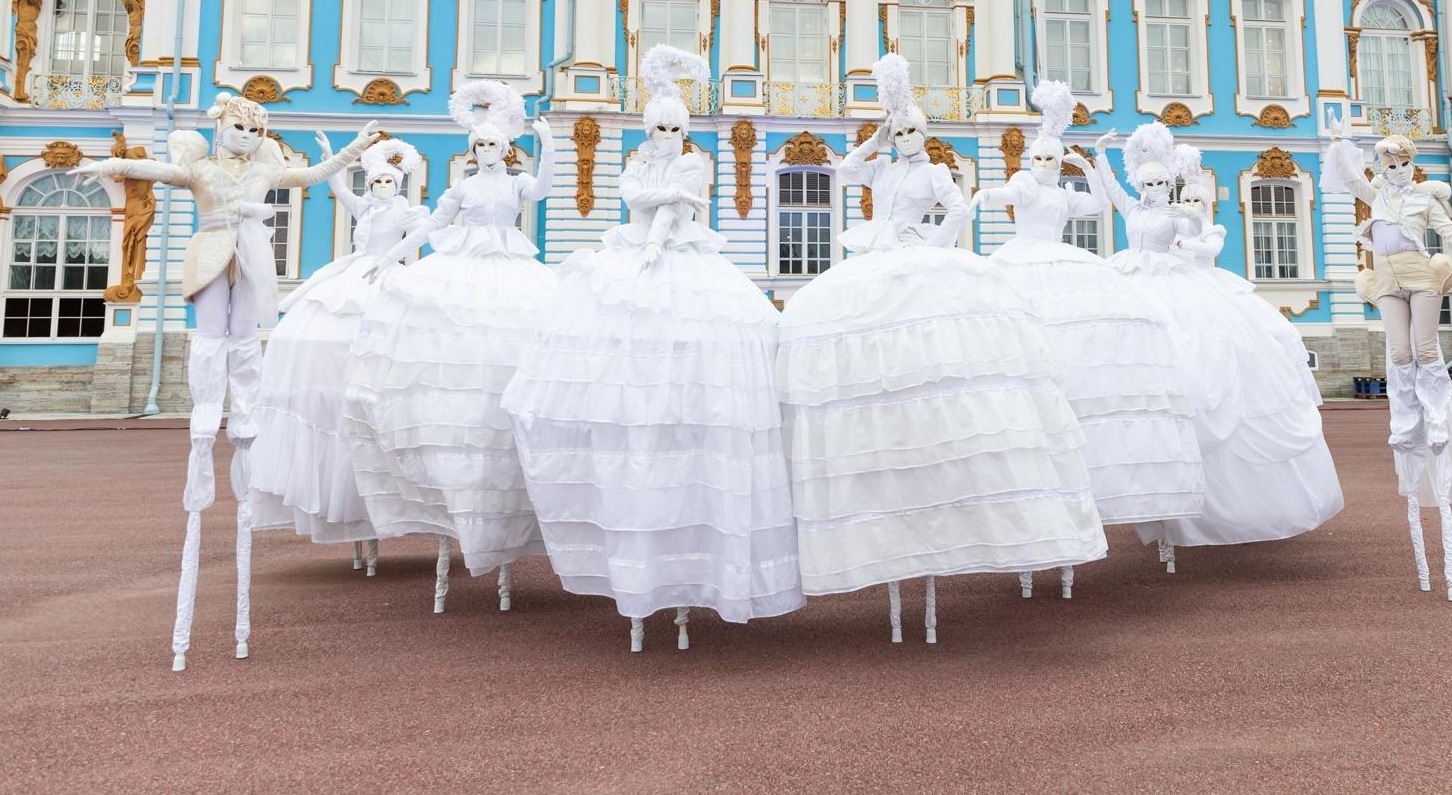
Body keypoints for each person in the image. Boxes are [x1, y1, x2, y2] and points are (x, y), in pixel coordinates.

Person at [775, 53, 1106, 644]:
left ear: (925, 136)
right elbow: (847, 173)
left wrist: (930, 240)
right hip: (875, 260)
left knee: (936, 366)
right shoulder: (884, 166)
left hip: (914, 259)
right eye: (898, 132)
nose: (904, 139)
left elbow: (957, 209)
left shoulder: (931, 173)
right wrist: (872, 140)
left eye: (910, 132)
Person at [504, 46, 804, 651]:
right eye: (660, 127)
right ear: (647, 129)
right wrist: (658, 206)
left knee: (698, 388)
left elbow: (661, 211)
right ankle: (640, 548)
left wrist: (660, 222)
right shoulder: (641, 160)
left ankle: (690, 555)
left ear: (685, 130)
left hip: (676, 261)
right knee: (627, 393)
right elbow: (631, 195)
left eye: (675, 127)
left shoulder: (692, 164)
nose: (667, 135)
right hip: (633, 255)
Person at [77, 92, 378, 670]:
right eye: (237, 127)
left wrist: (356, 148)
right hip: (213, 248)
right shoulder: (202, 168)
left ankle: (245, 407)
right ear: (221, 129)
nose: (244, 135)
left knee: (245, 338)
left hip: (254, 254)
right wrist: (110, 165)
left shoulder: (265, 166)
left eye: (253, 129)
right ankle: (207, 404)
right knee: (210, 333)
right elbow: (157, 170)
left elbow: (312, 174)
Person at [970, 79, 1204, 598]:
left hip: (1064, 266)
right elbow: (1008, 194)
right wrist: (988, 192)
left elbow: (1101, 203)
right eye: (1043, 157)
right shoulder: (1026, 186)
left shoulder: (1063, 193)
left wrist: (1084, 163)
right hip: (1024, 263)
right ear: (1032, 158)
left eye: (1053, 159)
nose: (1047, 164)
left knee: (1084, 358)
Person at [344, 81, 556, 612]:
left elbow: (545, 188)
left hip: (512, 271)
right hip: (464, 269)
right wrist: (389, 257)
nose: (487, 153)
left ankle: (508, 508)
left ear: (506, 149)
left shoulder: (516, 184)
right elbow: (434, 226)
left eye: (494, 146)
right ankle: (459, 502)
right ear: (472, 149)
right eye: (479, 146)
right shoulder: (461, 190)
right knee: (456, 372)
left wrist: (550, 145)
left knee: (510, 365)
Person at [1092, 124, 1344, 556]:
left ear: (1167, 184)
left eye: (1159, 183)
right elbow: (1111, 186)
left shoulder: (1176, 214)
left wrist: (1193, 217)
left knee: (1192, 361)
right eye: (1147, 183)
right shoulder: (1131, 208)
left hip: (1169, 286)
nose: (1153, 189)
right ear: (1139, 184)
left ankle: (1197, 496)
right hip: (1129, 283)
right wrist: (1098, 154)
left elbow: (1197, 230)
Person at [1322, 126, 1452, 603]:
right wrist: (1337, 145)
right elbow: (1348, 179)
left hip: (1419, 273)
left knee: (1427, 350)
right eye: (1387, 165)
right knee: (1400, 354)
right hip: (1386, 278)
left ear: (1411, 166)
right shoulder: (1376, 196)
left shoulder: (1424, 202)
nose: (1394, 172)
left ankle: (1434, 421)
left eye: (1401, 164)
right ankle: (1407, 420)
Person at [246, 138, 428, 571]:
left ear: (400, 185)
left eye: (388, 180)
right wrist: (335, 154)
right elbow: (340, 191)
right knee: (310, 335)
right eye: (377, 179)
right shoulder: (364, 207)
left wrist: (392, 258)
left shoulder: (406, 211)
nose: (381, 185)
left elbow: (424, 231)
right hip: (352, 274)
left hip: (384, 275)